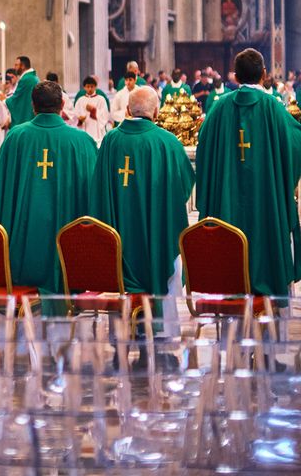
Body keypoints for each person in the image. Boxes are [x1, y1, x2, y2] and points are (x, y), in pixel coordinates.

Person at [196, 48, 301, 295]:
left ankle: (230, 288)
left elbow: (204, 148)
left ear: (236, 77)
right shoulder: (273, 108)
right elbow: (295, 142)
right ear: (264, 74)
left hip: (227, 201)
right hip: (266, 201)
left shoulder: (219, 109)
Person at [0, 80, 97, 295]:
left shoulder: (15, 138)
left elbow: (0, 196)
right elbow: (92, 199)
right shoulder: (82, 141)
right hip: (69, 248)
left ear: (33, 106)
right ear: (62, 104)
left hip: (24, 247)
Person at [91, 86, 194, 303]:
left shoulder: (110, 141)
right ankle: (160, 330)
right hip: (157, 232)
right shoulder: (167, 142)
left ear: (127, 110)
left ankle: (121, 330)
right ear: (156, 112)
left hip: (118, 229)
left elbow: (98, 188)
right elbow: (184, 185)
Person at [5, 56, 39, 128]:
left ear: (22, 66)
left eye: (16, 65)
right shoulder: (32, 77)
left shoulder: (26, 79)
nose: (14, 67)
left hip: (27, 116)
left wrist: (4, 101)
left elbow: (16, 99)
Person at [73, 76, 109, 146]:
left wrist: (94, 111)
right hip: (84, 128)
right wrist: (80, 120)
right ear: (84, 87)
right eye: (88, 86)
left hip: (97, 130)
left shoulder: (101, 99)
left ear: (95, 87)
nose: (90, 89)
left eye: (92, 86)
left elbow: (105, 115)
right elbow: (75, 115)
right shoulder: (80, 100)